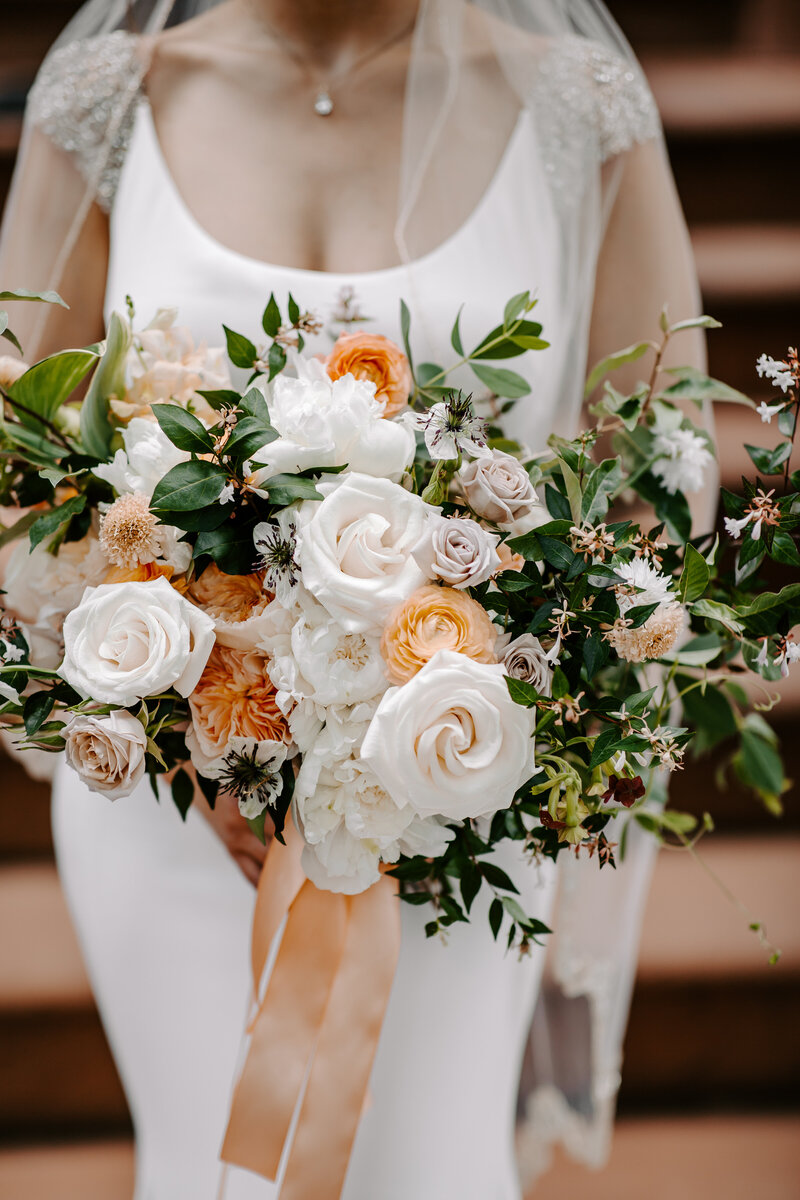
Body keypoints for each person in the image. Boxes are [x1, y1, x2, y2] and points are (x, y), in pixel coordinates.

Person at [0, 2, 714, 1196]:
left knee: (426, 1164)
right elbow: (22, 472)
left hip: (461, 784)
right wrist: (202, 750)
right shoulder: (114, 97)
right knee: (200, 1167)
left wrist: (499, 681)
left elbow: (656, 469)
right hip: (174, 815)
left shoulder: (573, 105)